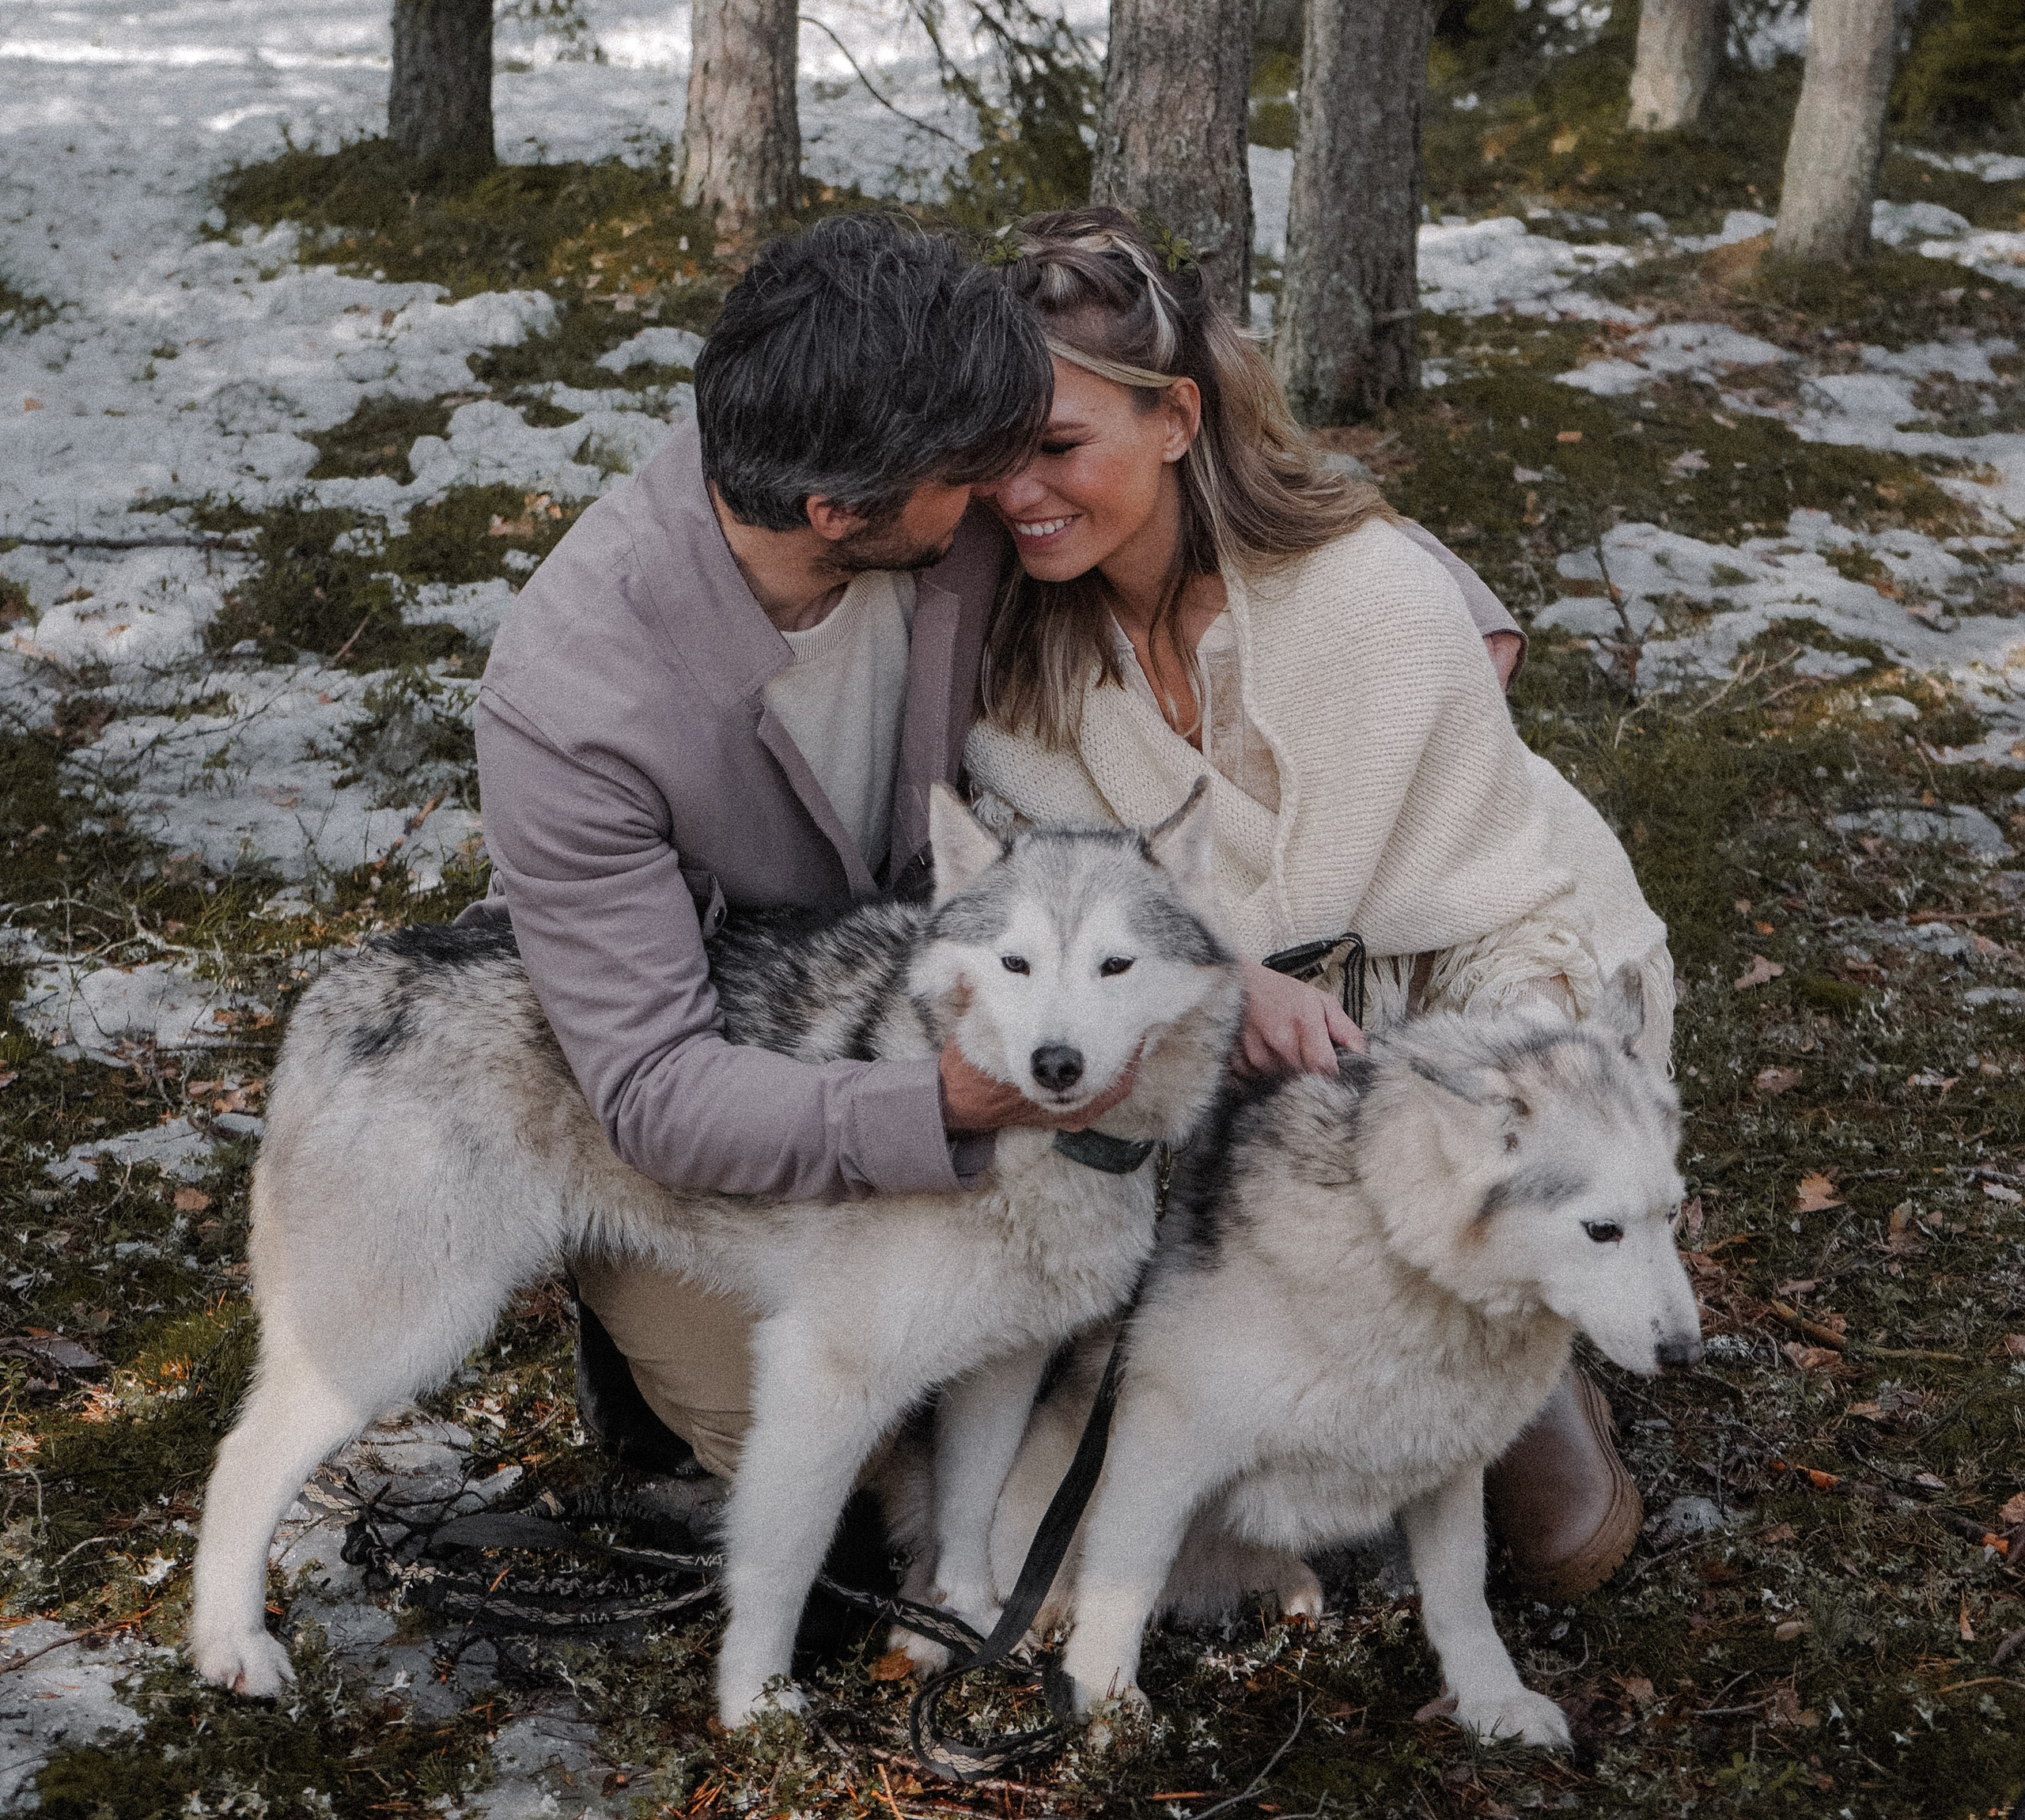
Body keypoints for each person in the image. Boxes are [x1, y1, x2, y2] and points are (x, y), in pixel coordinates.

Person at [470, 210, 1519, 1496]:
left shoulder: (895, 430)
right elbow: (655, 1090)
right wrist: (949, 1106)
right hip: (719, 1124)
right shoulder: (570, 706)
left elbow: (1171, 436)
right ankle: (643, 1368)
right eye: (976, 477)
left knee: (1047, 1412)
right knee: (851, 1456)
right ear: (840, 511)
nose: (1007, 500)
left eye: (1019, 455)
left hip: (962, 1008)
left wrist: (1446, 599)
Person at [963, 207, 1674, 1601]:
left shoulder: (1370, 600)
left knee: (1566, 1549)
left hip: (1463, 987)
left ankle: (1516, 1341)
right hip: (1232, 1062)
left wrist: (1455, 1138)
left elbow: (1512, 923)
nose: (1019, 494)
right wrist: (1231, 992)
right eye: (994, 460)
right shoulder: (1022, 654)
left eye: (1056, 449)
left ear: (1175, 419)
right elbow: (1070, 909)